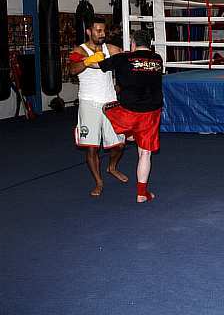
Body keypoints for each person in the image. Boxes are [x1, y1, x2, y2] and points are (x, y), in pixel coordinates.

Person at [94, 31, 164, 203]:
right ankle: (142, 193)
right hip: (151, 112)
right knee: (145, 154)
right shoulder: (158, 59)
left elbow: (97, 65)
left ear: (132, 43)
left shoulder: (123, 58)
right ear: (150, 44)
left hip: (128, 112)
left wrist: (87, 58)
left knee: (109, 108)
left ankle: (129, 132)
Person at [68, 16, 126, 197]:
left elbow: (127, 63)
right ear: (89, 31)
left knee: (120, 144)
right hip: (89, 103)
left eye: (103, 31)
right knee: (92, 147)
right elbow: (72, 69)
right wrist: (88, 60)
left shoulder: (112, 49)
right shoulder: (80, 51)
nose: (102, 34)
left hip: (110, 102)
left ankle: (112, 167)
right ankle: (98, 182)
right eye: (98, 31)